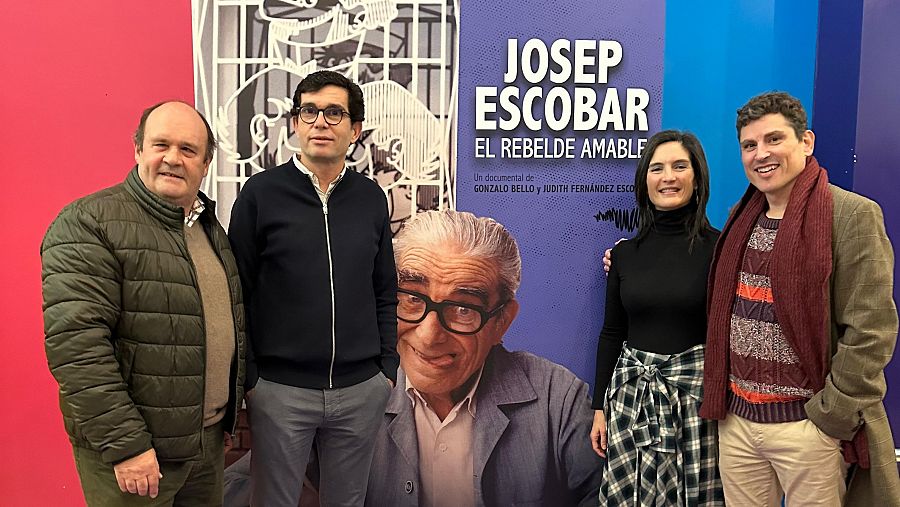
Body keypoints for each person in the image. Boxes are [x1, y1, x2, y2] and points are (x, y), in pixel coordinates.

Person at [700, 91, 900, 506]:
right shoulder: (742, 216)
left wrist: (830, 416)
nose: (761, 154)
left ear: (805, 142)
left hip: (807, 427)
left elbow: (871, 329)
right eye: (750, 145)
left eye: (774, 140)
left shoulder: (852, 215)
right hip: (737, 423)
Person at [41, 101, 246, 505]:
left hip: (204, 446)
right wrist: (127, 446)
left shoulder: (209, 229)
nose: (172, 158)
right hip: (138, 455)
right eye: (160, 145)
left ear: (205, 164)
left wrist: (224, 423)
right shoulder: (88, 222)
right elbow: (78, 349)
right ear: (138, 150)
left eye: (188, 150)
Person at [228, 70, 398, 506]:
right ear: (295, 124)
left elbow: (383, 289)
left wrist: (386, 370)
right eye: (310, 111)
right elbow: (236, 292)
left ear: (355, 130)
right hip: (280, 391)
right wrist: (251, 379)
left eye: (335, 113)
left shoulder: (371, 198)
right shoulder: (259, 194)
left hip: (361, 388)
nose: (321, 122)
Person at [365, 210, 602, 507]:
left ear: (501, 321)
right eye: (412, 298)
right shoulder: (348, 390)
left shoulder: (558, 399)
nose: (429, 336)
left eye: (463, 309)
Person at [591, 130, 724, 506]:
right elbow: (612, 332)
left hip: (696, 401)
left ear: (697, 178)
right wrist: (599, 407)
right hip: (632, 401)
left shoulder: (721, 250)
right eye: (657, 168)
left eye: (680, 166)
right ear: (644, 181)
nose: (668, 177)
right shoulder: (624, 255)